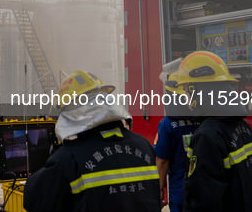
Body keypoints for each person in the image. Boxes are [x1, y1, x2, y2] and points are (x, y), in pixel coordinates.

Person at [23, 70, 161, 212]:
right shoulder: (144, 145)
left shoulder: (69, 158)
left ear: (72, 113)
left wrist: (54, 158)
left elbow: (32, 200)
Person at [175, 51, 252, 212]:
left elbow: (202, 202)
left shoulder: (207, 136)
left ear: (197, 90)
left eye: (186, 90)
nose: (185, 98)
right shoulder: (243, 128)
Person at [154, 64, 200, 212]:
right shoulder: (203, 120)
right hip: (204, 190)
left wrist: (159, 190)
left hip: (180, 193)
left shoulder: (167, 125)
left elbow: (162, 162)